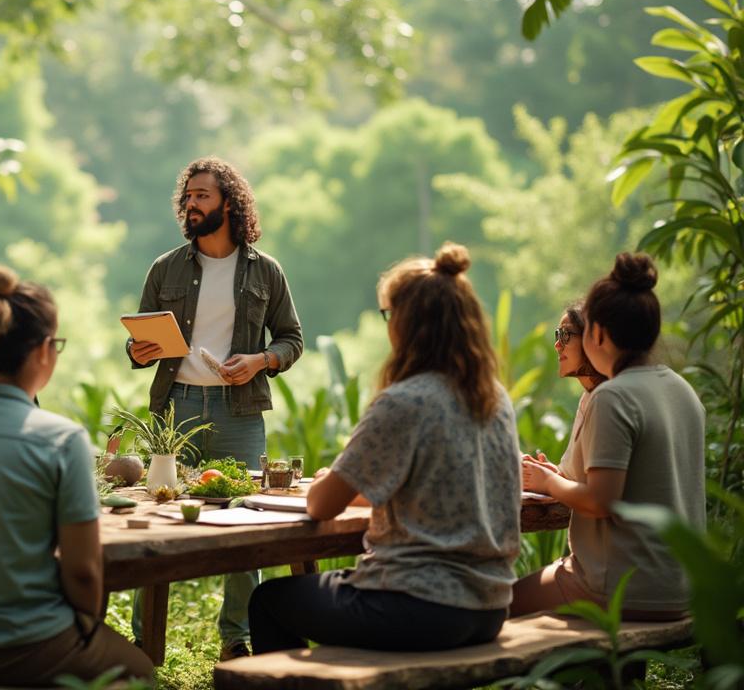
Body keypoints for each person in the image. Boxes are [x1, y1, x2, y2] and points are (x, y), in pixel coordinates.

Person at [249, 243, 521, 653]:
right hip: (489, 608)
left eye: (387, 315)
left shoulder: (405, 401)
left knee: (269, 601)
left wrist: (327, 479)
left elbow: (321, 505)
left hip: (416, 605)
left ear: (407, 323)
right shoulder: (495, 398)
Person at [0, 264, 153, 686]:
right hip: (24, 645)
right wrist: (84, 626)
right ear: (43, 351)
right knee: (141, 670)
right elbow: (82, 570)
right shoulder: (61, 439)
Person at [126, 156, 303, 659]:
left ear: (229, 203)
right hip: (175, 409)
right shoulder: (165, 268)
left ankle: (236, 640)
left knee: (246, 520)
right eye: (188, 197)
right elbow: (139, 342)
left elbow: (292, 339)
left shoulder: (266, 271)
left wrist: (261, 360)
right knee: (158, 518)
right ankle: (143, 642)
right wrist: (139, 350)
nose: (191, 204)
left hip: (239, 411)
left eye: (202, 195)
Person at [511, 253, 704, 619]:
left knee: (498, 607)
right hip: (684, 587)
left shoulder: (613, 396)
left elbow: (601, 502)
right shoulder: (682, 390)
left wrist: (549, 483)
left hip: (622, 586)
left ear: (597, 334)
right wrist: (556, 477)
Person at [519, 303, 609, 487]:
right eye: (557, 335)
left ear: (591, 339)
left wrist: (549, 481)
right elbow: (578, 479)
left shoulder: (608, 401)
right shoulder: (588, 397)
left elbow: (600, 494)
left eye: (565, 334)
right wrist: (553, 473)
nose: (557, 345)